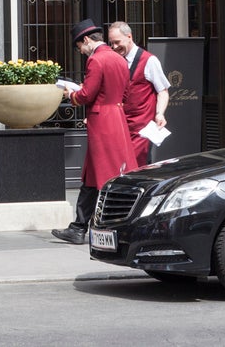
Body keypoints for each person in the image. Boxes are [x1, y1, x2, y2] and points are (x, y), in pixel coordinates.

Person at [51, 19, 134, 245]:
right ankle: (78, 227)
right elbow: (125, 94)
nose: (81, 51)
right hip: (116, 117)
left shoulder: (96, 59)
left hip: (102, 121)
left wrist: (71, 94)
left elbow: (86, 94)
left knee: (105, 176)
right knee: (94, 174)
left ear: (86, 40)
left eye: (79, 47)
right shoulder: (119, 59)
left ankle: (105, 226)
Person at [108, 21, 170, 167]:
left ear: (129, 37)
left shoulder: (149, 60)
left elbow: (163, 91)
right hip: (119, 126)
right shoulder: (115, 60)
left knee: (135, 168)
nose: (114, 47)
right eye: (111, 43)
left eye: (117, 42)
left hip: (141, 129)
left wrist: (160, 113)